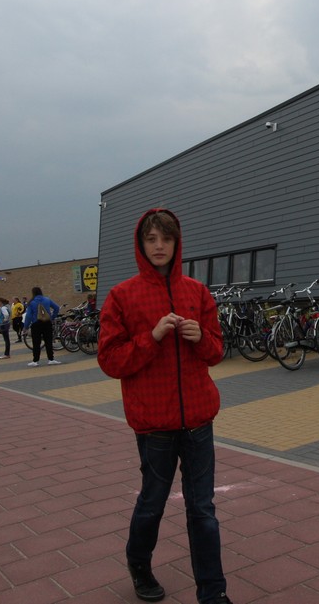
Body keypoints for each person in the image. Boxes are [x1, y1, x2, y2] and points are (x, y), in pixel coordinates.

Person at [98, 209, 232, 604]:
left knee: (202, 509)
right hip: (154, 424)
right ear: (140, 244)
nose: (159, 246)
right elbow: (110, 360)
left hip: (198, 421)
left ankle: (213, 594)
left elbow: (216, 352)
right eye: (151, 239)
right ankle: (139, 563)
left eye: (166, 239)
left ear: (177, 243)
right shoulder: (122, 295)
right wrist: (152, 337)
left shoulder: (197, 292)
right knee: (153, 502)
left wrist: (200, 337)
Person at [22, 287, 60, 366]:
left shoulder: (31, 302)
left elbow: (28, 316)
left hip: (36, 324)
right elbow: (57, 307)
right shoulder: (47, 299)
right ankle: (51, 359)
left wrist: (26, 327)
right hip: (47, 323)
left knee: (36, 343)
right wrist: (52, 317)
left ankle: (35, 361)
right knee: (48, 341)